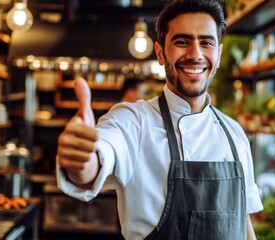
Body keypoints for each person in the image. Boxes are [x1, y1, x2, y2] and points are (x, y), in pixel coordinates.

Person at [56, 0, 263, 239]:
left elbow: (243, 221)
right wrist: (82, 161)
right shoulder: (134, 121)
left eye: (206, 42)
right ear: (160, 53)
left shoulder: (234, 133)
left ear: (218, 54)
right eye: (182, 42)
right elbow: (101, 154)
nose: (195, 54)